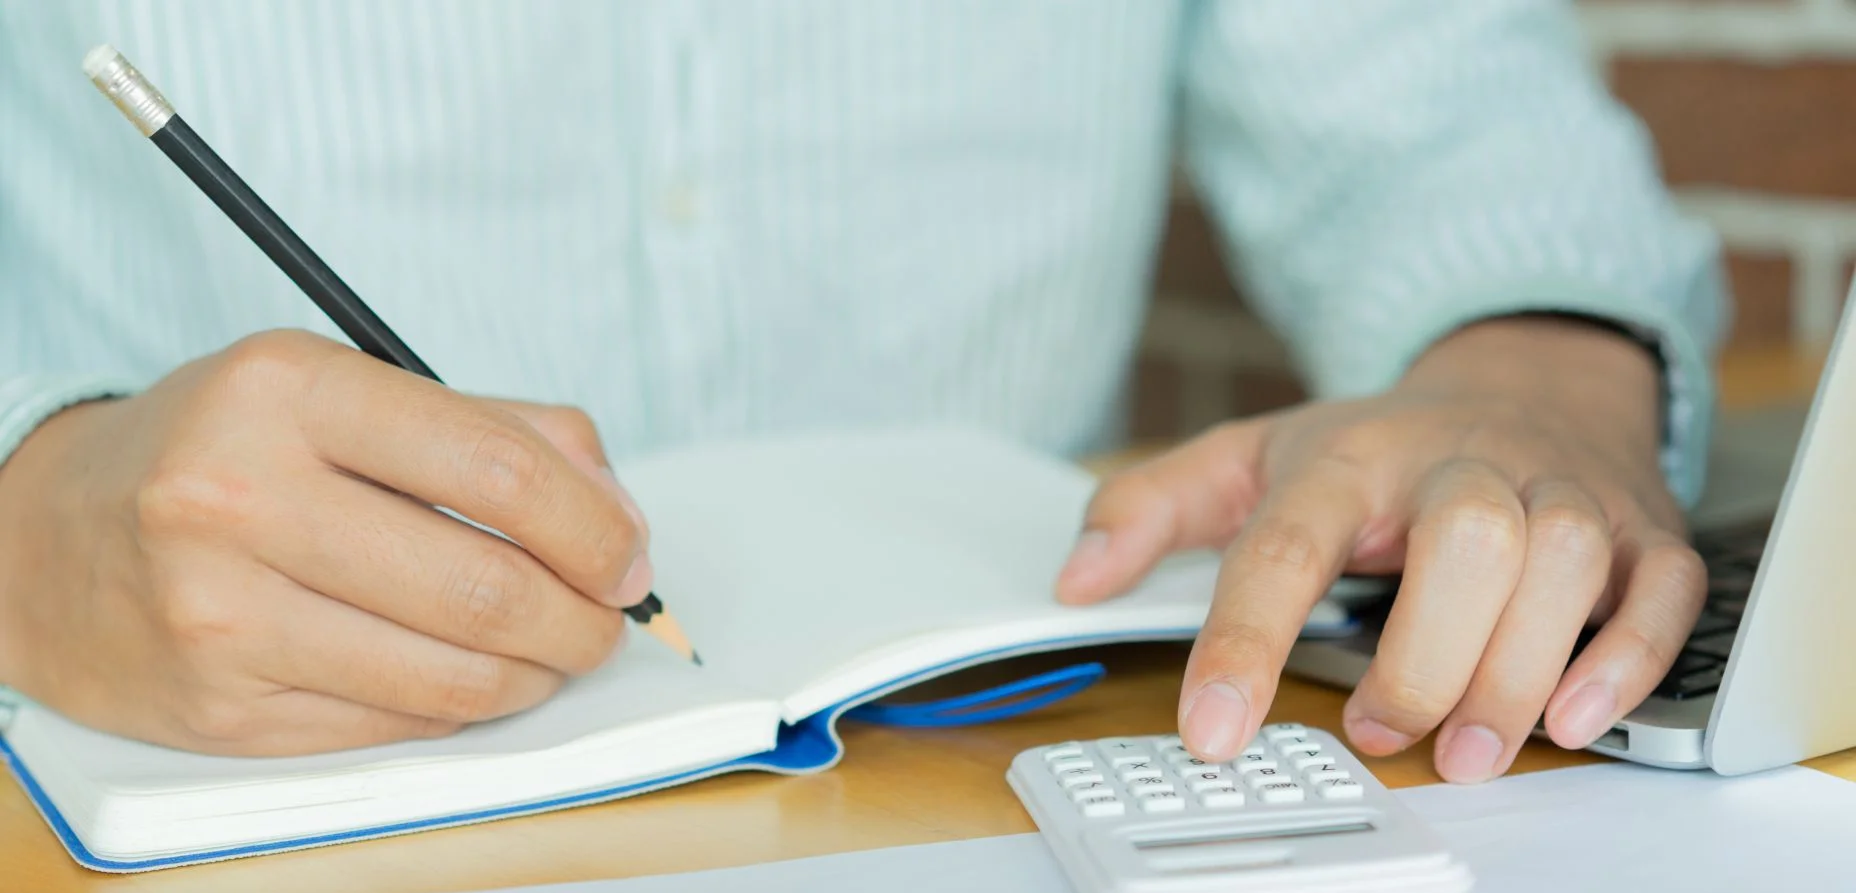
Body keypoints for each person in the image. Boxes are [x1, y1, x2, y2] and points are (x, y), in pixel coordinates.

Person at [0, 2, 1725, 785]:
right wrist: (22, 513)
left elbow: (1438, 110)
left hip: (980, 757)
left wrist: (1537, 376)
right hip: (154, 783)